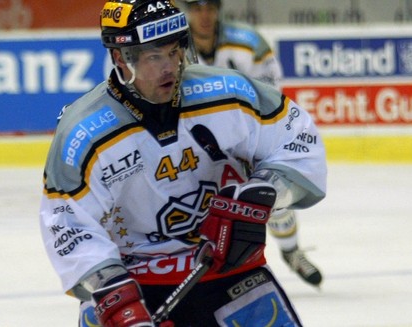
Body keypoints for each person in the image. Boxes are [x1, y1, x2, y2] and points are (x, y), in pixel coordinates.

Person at [39, 0, 327, 326]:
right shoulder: (83, 133)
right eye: (154, 57)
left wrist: (266, 192)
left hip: (231, 272)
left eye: (175, 51)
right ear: (120, 58)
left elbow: (298, 143)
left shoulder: (229, 94)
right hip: (132, 285)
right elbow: (68, 224)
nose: (170, 67)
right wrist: (112, 294)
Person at [182, 0, 323, 287]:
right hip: (197, 140)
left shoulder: (249, 44)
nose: (204, 15)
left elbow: (269, 96)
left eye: (209, 8)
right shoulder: (174, 47)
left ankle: (291, 251)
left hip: (245, 136)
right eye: (196, 9)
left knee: (267, 195)